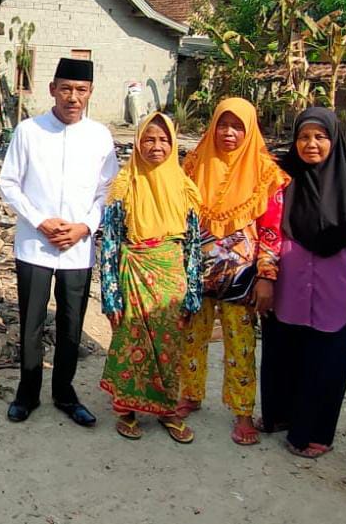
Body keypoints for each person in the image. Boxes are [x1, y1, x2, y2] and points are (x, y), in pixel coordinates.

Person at [0, 57, 119, 427]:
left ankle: (65, 393)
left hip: (78, 249)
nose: (73, 97)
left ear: (90, 93)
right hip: (35, 245)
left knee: (71, 324)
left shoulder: (100, 136)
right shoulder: (29, 131)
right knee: (32, 321)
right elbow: (8, 183)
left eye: (80, 90)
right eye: (65, 88)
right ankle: (27, 393)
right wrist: (40, 220)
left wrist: (85, 227)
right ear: (52, 89)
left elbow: (107, 191)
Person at [260, 107, 346, 458]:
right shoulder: (282, 181)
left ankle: (315, 434)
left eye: (320, 137)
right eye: (304, 137)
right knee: (284, 357)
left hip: (335, 293)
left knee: (327, 367)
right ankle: (280, 417)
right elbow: (267, 229)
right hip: (289, 291)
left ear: (334, 140)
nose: (311, 144)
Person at [178, 98, 289, 445]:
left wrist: (267, 277)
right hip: (196, 271)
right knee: (191, 337)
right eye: (223, 124)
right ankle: (190, 395)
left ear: (249, 129)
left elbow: (272, 231)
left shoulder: (265, 173)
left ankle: (242, 412)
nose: (229, 133)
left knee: (240, 345)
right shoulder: (195, 163)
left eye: (237, 126)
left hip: (242, 278)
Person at [98, 112, 203, 444]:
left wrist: (193, 292)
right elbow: (111, 243)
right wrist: (110, 296)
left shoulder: (185, 188)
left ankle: (168, 409)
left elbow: (194, 246)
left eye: (163, 140)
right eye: (149, 139)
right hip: (134, 272)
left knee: (170, 347)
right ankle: (127, 409)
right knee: (132, 341)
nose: (156, 147)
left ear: (173, 144)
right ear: (137, 142)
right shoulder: (124, 185)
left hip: (172, 273)